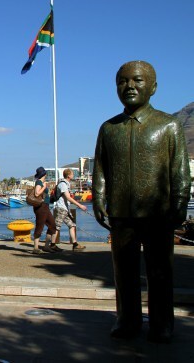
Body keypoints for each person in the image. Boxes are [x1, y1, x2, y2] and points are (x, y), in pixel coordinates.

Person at [93, 61, 191, 343]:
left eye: (137, 80)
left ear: (153, 87)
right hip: (121, 213)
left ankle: (162, 324)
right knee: (124, 273)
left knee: (160, 272)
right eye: (122, 81)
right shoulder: (109, 128)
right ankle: (126, 320)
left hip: (158, 213)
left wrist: (180, 203)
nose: (129, 86)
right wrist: (99, 198)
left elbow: (179, 170)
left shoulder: (169, 125)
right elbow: (100, 168)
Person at [54, 169, 87, 251]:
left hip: (65, 209)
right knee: (57, 227)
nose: (73, 175)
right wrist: (79, 205)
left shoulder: (66, 184)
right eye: (72, 174)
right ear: (68, 175)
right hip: (61, 208)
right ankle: (52, 244)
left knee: (72, 225)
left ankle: (75, 244)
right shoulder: (63, 184)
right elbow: (68, 197)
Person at [32, 167, 61, 254]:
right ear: (44, 174)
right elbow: (37, 193)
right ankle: (35, 247)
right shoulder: (39, 182)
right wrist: (44, 187)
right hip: (41, 207)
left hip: (46, 207)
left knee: (52, 225)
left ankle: (46, 246)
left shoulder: (41, 182)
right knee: (39, 226)